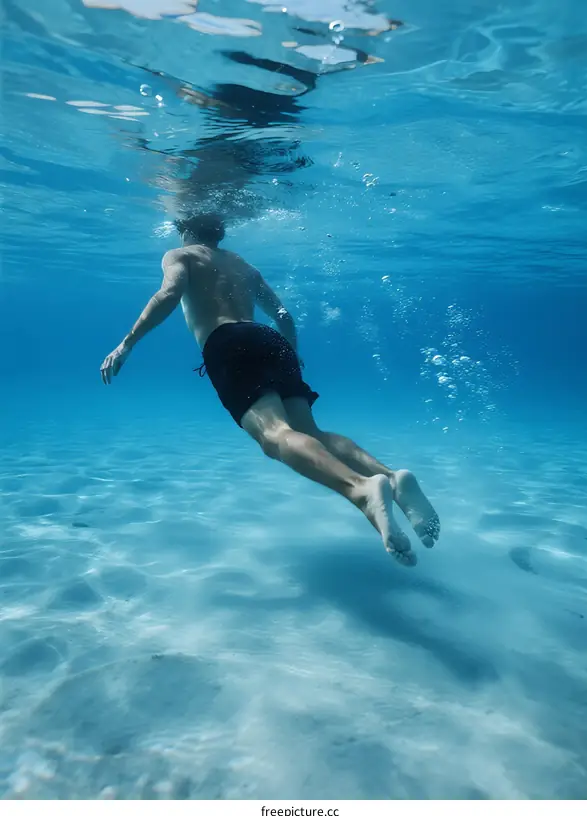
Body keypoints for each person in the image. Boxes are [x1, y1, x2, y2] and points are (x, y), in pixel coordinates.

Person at [100, 214, 440, 566]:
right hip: (269, 339)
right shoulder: (242, 264)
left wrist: (126, 345)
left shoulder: (181, 255)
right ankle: (390, 478)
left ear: (186, 229)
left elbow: (169, 293)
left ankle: (363, 490)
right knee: (310, 431)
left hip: (227, 342)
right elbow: (282, 314)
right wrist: (290, 352)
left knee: (275, 435)